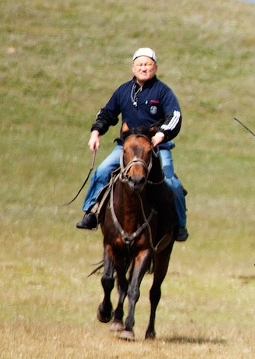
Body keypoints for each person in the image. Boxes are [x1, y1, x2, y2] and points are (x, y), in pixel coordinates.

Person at [76, 48, 188, 241]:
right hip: (126, 147)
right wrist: (95, 133)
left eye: (148, 65)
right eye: (140, 65)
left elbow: (174, 116)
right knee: (102, 171)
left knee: (171, 183)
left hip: (155, 147)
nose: (144, 68)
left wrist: (162, 133)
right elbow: (107, 113)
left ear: (155, 67)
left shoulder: (163, 92)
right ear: (133, 67)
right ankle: (91, 212)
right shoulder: (123, 91)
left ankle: (179, 225)